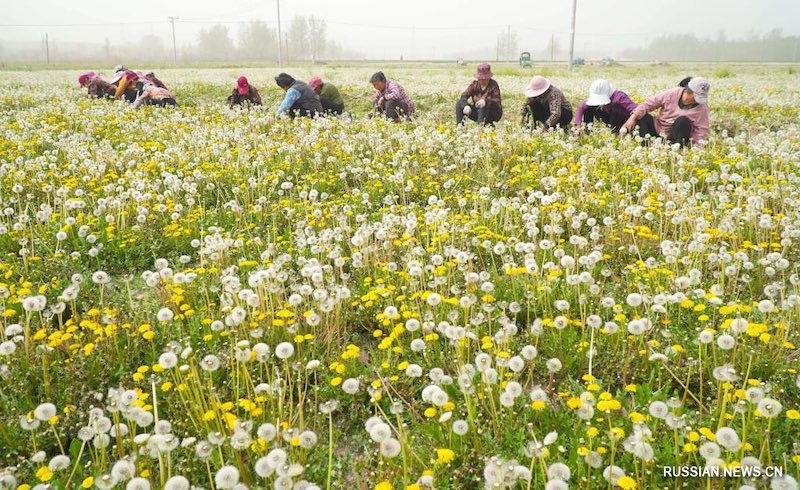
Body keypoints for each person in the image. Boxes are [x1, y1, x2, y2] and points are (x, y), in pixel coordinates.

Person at [621, 77, 711, 147]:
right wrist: (633, 117)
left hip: (677, 135)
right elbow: (649, 104)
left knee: (683, 121)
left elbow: (701, 129)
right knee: (642, 116)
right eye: (697, 97)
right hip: (659, 129)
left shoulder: (702, 107)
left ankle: (676, 149)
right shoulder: (672, 94)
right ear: (689, 92)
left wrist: (697, 148)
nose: (698, 101)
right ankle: (645, 147)